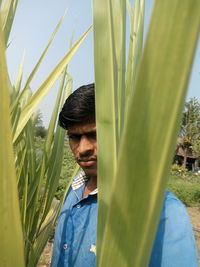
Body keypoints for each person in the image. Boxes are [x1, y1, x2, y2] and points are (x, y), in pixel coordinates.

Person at [51, 83, 198, 267]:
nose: (82, 149)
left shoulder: (161, 212)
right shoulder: (74, 189)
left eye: (95, 134)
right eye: (74, 137)